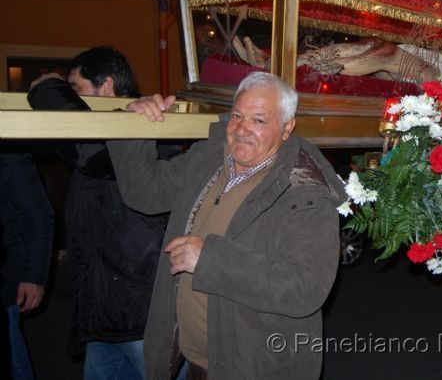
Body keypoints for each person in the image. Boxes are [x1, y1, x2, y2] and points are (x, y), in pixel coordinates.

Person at [106, 72, 345, 379]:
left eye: (259, 120)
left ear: (287, 129)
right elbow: (146, 193)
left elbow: (304, 289)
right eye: (237, 115)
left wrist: (210, 260)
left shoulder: (304, 193)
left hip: (252, 369)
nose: (242, 129)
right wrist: (133, 125)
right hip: (196, 363)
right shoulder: (211, 158)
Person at [27, 47, 168, 380]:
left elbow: (86, 150)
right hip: (103, 311)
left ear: (105, 87)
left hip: (137, 315)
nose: (70, 94)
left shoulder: (145, 127)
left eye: (75, 87)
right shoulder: (119, 126)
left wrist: (49, 88)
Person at [297, 39, 442, 93]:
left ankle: (317, 68)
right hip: (433, 60)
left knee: (387, 53)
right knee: (372, 43)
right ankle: (300, 59)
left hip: (441, 78)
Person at [1, 151, 54, 380]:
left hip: (4, 277)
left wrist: (34, 276)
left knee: (13, 360)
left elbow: (40, 215)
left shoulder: (8, 152)